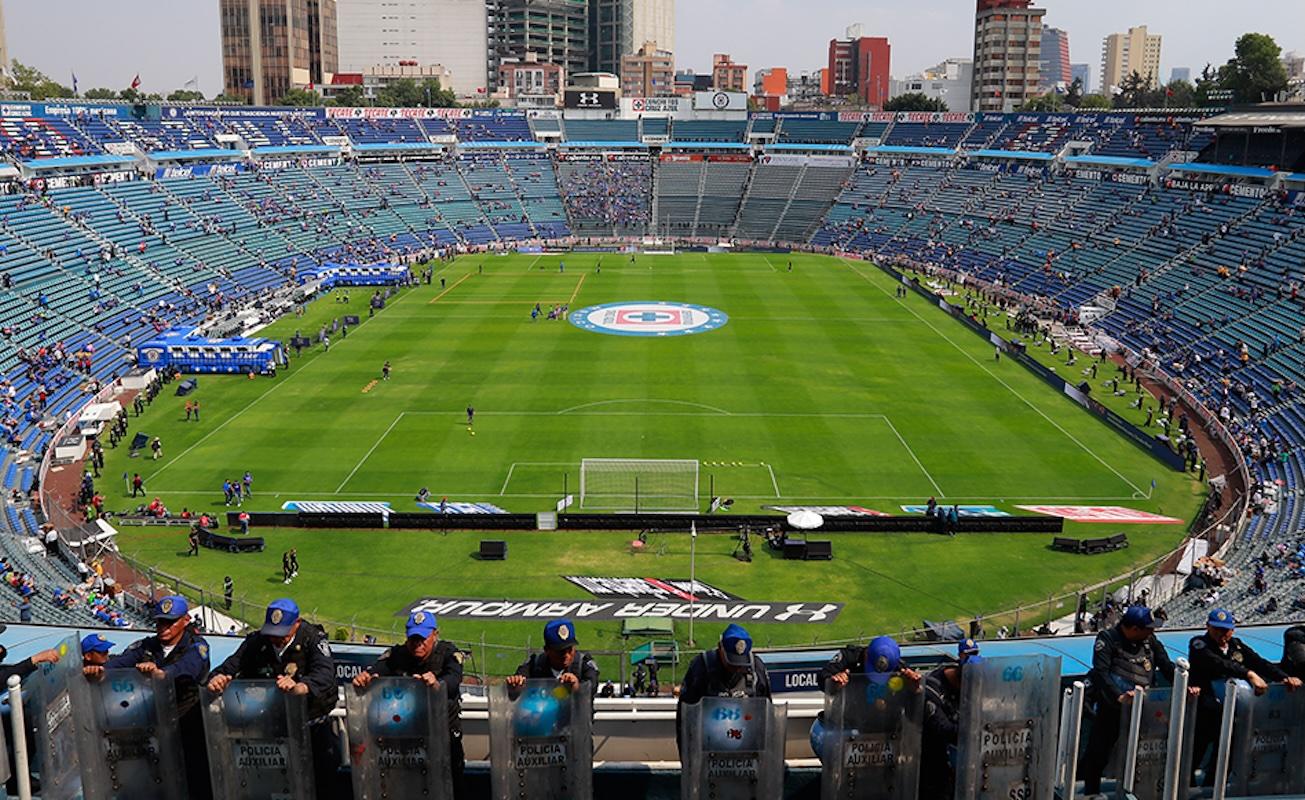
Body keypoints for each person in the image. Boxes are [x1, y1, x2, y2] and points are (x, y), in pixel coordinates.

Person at [206, 599, 340, 796]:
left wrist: (300, 687)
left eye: (282, 635)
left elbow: (325, 673)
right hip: (270, 729)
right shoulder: (257, 641)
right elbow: (229, 667)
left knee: (321, 785)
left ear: (297, 624)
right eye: (272, 634)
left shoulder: (313, 639)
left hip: (312, 727)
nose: (276, 640)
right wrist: (217, 679)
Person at [107, 595, 213, 799]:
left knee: (195, 779)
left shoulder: (197, 645)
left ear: (185, 620)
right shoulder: (148, 646)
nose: (164, 627)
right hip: (152, 721)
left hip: (189, 722)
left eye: (170, 622)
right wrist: (99, 671)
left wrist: (162, 674)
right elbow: (119, 662)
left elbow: (189, 668)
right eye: (160, 621)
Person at [354, 611, 466, 798]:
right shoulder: (397, 654)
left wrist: (437, 683)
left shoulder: (448, 653)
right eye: (413, 639)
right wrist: (366, 677)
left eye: (422, 639)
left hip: (443, 737)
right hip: (407, 739)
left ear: (435, 635)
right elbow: (376, 670)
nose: (417, 644)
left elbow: (454, 677)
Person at [1188, 609, 1302, 783]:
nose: (1221, 634)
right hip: (1208, 711)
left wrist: (1284, 678)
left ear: (1232, 630)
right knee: (1197, 751)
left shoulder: (1236, 645)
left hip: (1235, 712)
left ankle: (1215, 783)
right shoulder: (1199, 644)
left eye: (1225, 630)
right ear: (1208, 627)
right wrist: (1249, 674)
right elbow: (1219, 664)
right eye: (1216, 629)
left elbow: (1260, 663)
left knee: (1227, 751)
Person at [1080, 606, 1185, 795]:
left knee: (1144, 755)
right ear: (1135, 629)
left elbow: (1166, 665)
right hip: (1113, 707)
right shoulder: (1108, 639)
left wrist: (1186, 684)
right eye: (1148, 628)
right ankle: (1091, 793)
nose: (1152, 632)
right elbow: (1101, 673)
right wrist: (1118, 696)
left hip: (1145, 706)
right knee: (1098, 755)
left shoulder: (1149, 641)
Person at [677, 624, 771, 750]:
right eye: (731, 663)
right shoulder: (701, 668)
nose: (736, 668)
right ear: (720, 648)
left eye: (740, 663)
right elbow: (685, 716)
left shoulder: (756, 670)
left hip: (746, 749)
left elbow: (767, 714)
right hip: (707, 748)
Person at [921, 640, 984, 799]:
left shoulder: (975, 687)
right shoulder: (933, 688)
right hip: (933, 766)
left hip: (964, 766)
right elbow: (943, 729)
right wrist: (977, 729)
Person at [507, 619, 599, 698]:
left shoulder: (584, 664)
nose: (567, 655)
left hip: (576, 718)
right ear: (547, 650)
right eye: (561, 652)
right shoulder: (535, 664)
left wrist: (577, 687)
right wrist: (516, 688)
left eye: (570, 650)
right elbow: (516, 689)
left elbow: (592, 688)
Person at [818, 634, 923, 690]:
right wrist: (834, 682)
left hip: (884, 722)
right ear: (866, 654)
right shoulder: (849, 657)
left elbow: (918, 688)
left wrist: (915, 687)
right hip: (848, 718)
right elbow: (823, 676)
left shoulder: (900, 667)